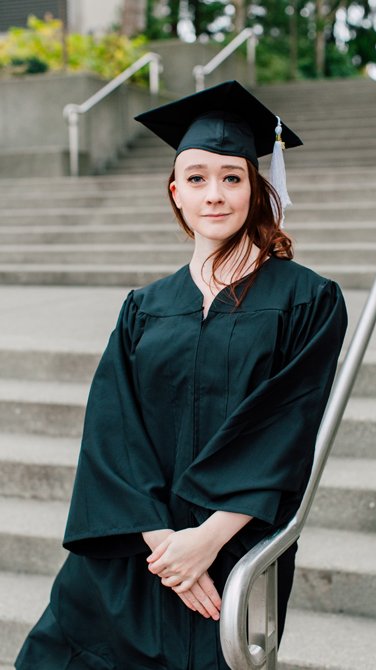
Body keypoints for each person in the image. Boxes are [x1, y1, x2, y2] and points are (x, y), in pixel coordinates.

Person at [16, 81, 348, 668]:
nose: (214, 195)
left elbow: (287, 429)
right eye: (196, 178)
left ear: (256, 188)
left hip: (229, 551)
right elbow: (113, 427)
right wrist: (163, 543)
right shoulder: (144, 305)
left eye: (231, 177)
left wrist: (205, 541)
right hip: (134, 546)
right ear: (176, 192)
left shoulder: (308, 300)